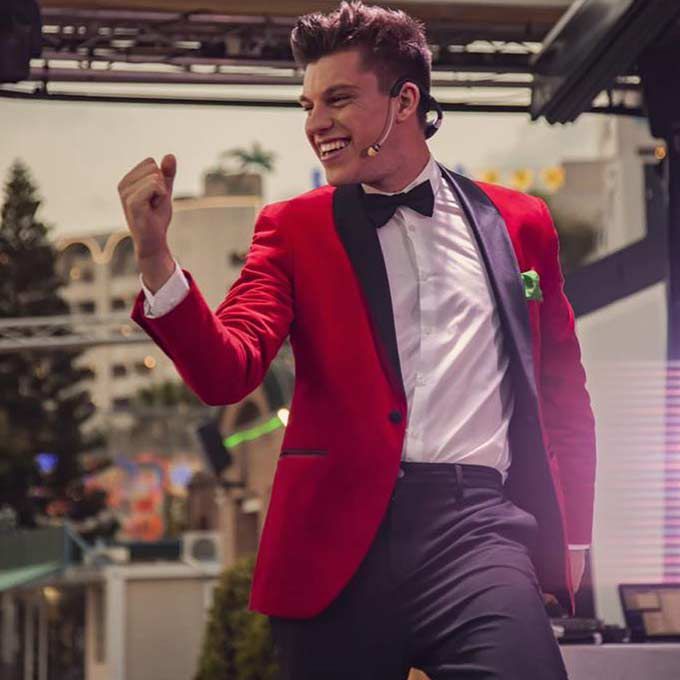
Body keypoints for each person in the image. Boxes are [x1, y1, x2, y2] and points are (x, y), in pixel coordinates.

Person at [117, 2, 596, 678]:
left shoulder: (521, 223)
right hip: (334, 544)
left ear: (405, 101)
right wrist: (155, 260)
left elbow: (562, 392)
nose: (316, 123)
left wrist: (574, 537)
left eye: (338, 100)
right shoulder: (292, 228)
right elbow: (228, 372)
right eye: (308, 105)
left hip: (478, 530)